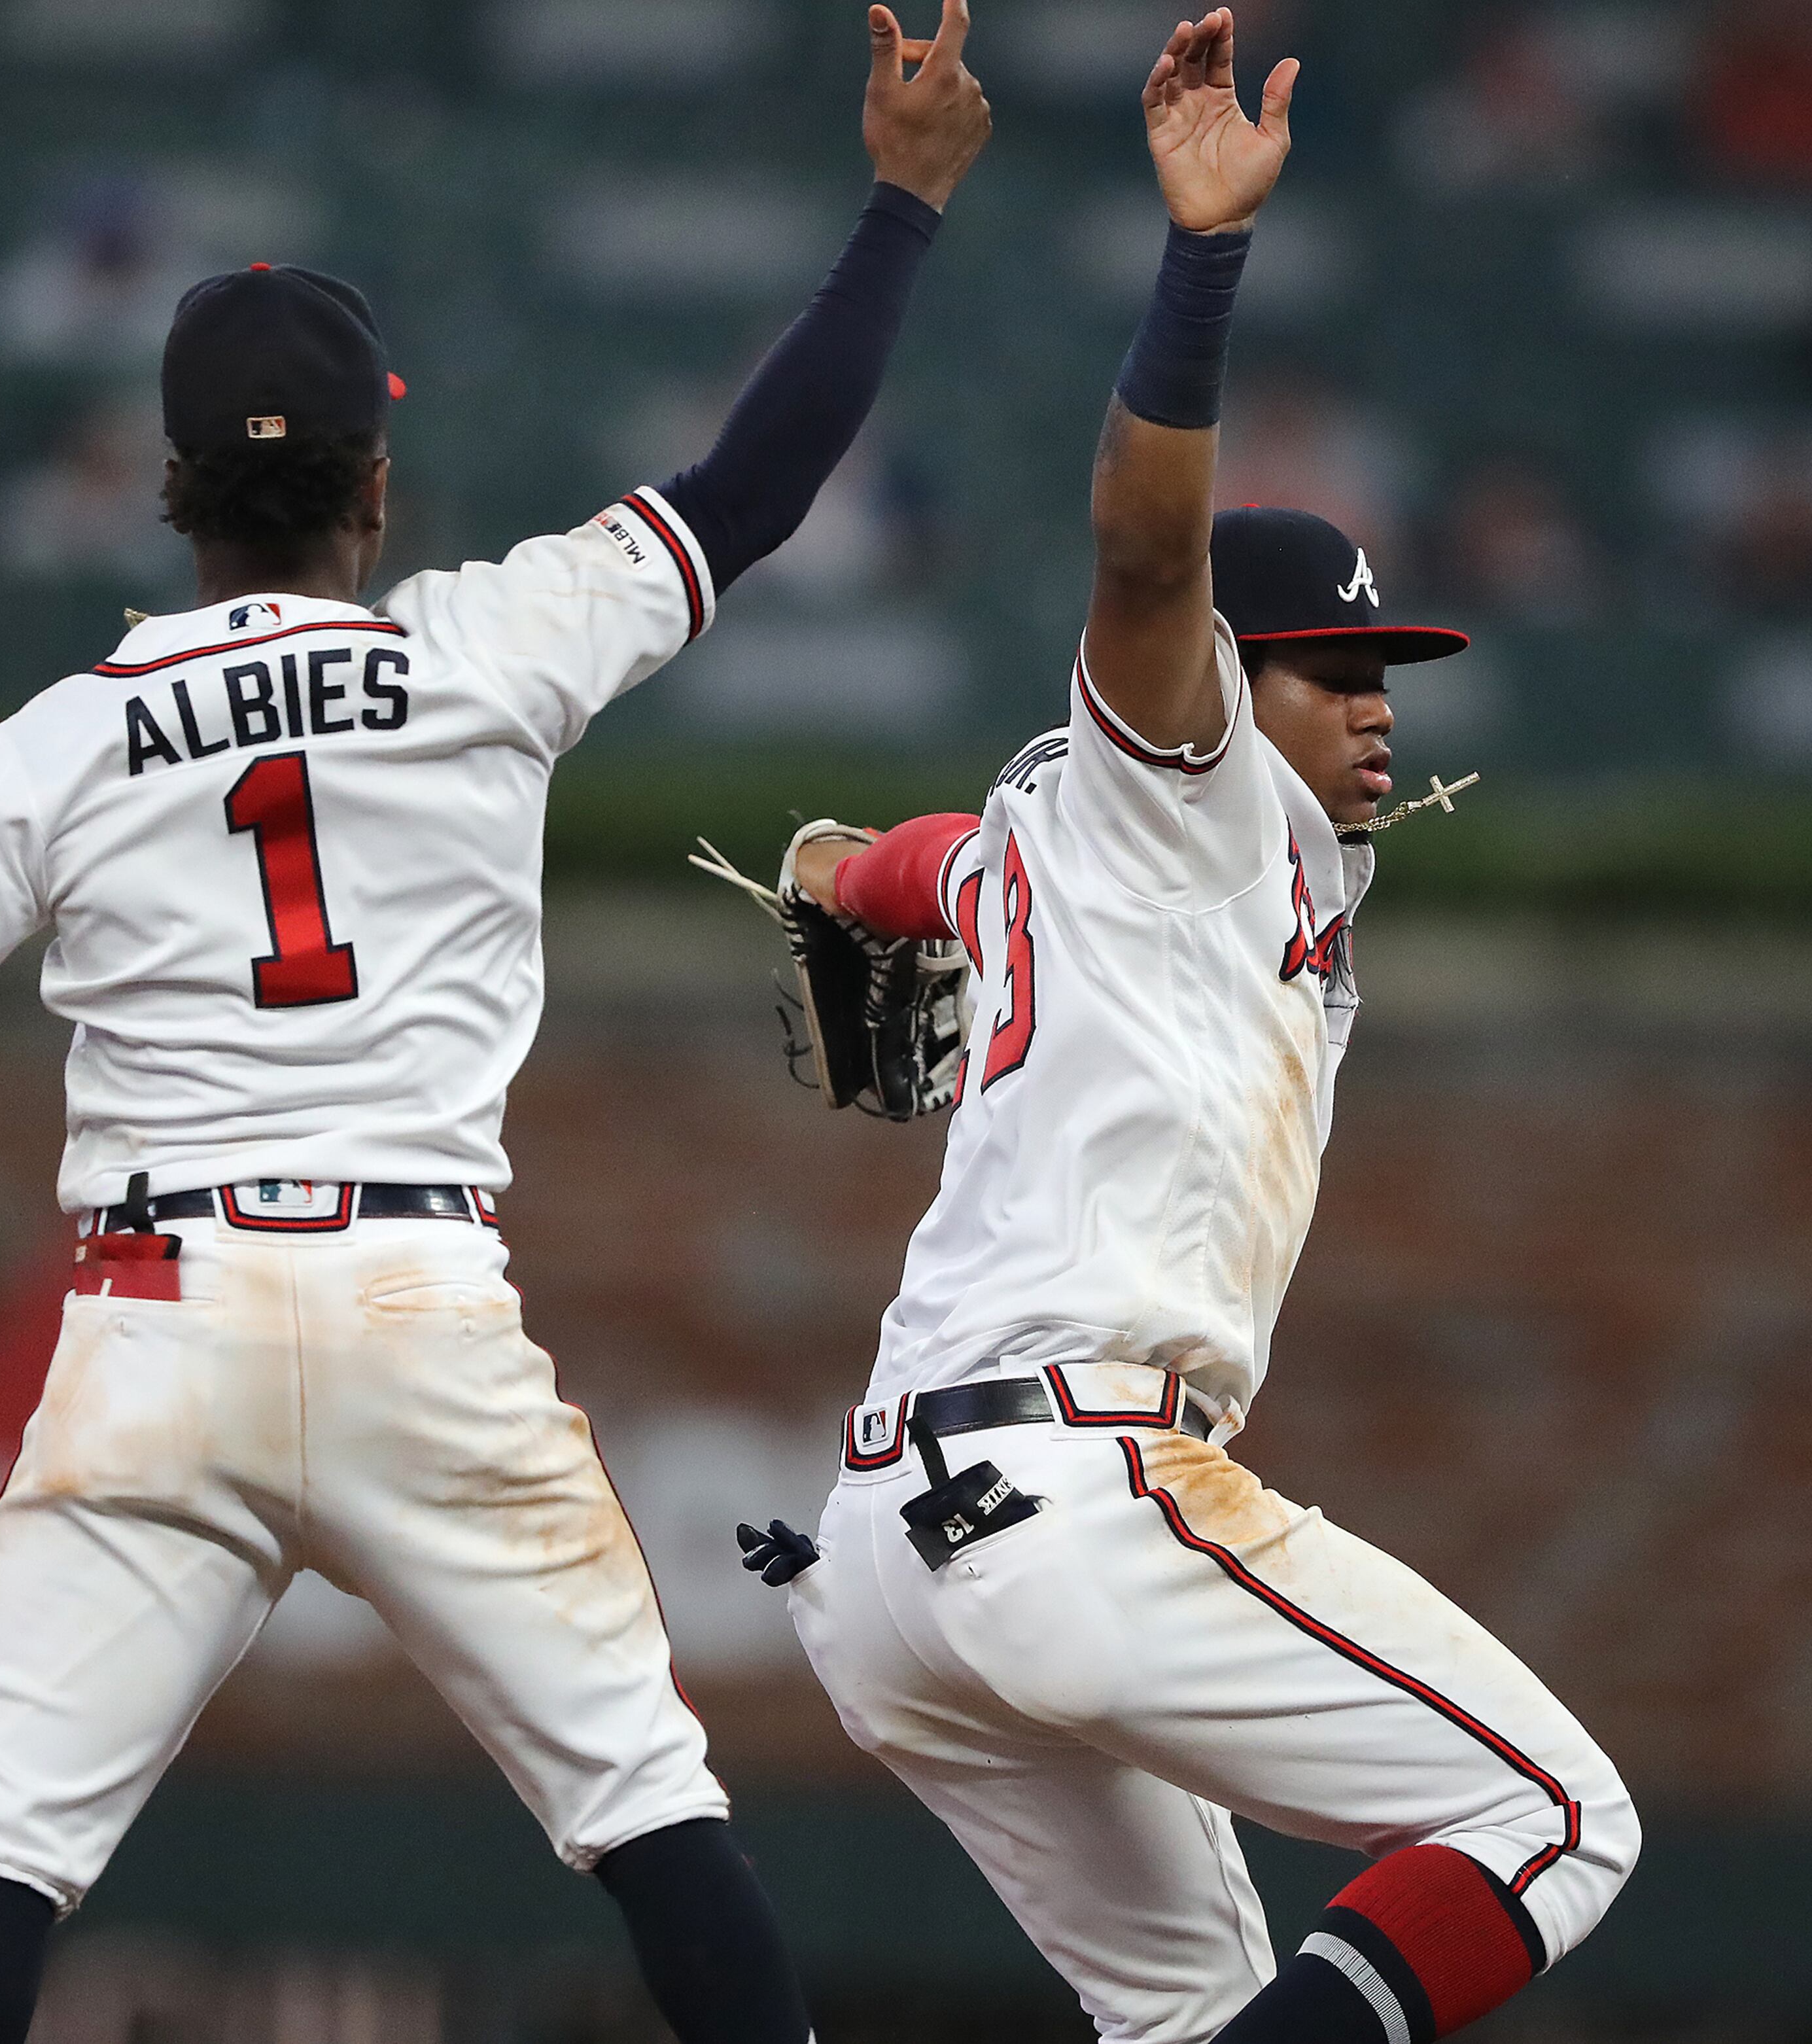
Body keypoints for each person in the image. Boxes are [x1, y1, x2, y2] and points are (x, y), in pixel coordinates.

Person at [0, 10, 990, 2041]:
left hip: (156, 1325)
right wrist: (901, 206)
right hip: (419, 1314)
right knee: (651, 1805)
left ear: (173, 497)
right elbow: (758, 482)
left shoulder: (66, 737)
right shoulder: (492, 645)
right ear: (376, 483)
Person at [748, 16, 1636, 2043]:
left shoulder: (1099, 844)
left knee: (1202, 2010)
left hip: (896, 1554)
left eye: (1386, 661)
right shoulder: (1189, 776)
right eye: (1329, 668)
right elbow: (1148, 553)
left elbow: (938, 857)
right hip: (1078, 1495)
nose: (1375, 698)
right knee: (1562, 1814)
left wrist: (836, 867)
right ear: (1233, 687)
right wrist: (1204, 256)